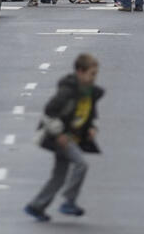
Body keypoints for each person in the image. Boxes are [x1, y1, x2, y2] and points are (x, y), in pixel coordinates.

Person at [24, 53, 104, 222]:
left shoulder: (90, 91)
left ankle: (36, 206)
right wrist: (58, 133)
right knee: (81, 164)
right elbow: (49, 112)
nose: (93, 78)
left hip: (71, 137)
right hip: (59, 137)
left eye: (95, 74)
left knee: (58, 176)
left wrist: (92, 127)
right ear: (79, 72)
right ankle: (69, 201)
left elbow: (91, 111)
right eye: (91, 74)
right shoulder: (67, 90)